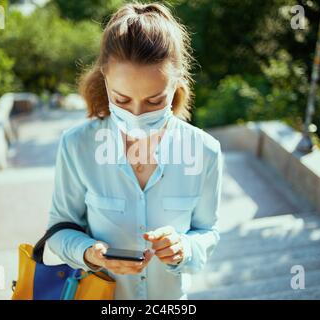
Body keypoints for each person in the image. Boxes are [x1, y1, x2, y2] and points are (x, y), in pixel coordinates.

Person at [46, 1, 223, 300]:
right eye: (122, 100)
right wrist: (89, 253)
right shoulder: (76, 145)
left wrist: (185, 248)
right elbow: (58, 230)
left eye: (154, 101)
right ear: (105, 78)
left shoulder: (205, 151)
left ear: (176, 82)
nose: (137, 115)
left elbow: (208, 232)